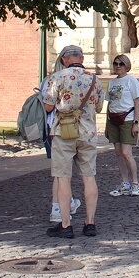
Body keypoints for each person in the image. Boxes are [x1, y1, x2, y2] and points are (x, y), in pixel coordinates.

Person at [41, 45, 102, 238]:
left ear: (65, 60)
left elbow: (49, 107)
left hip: (63, 133)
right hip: (88, 133)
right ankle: (90, 223)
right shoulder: (95, 79)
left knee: (63, 178)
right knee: (89, 177)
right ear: (81, 59)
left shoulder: (57, 78)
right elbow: (99, 108)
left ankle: (66, 225)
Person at [40, 58, 81, 223]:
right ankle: (58, 208)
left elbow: (47, 106)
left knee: (61, 172)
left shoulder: (51, 79)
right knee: (62, 174)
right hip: (63, 129)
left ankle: (66, 203)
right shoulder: (81, 79)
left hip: (55, 129)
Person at [104, 54, 139, 198]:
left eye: (121, 64)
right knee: (118, 153)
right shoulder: (111, 83)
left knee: (127, 153)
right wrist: (107, 124)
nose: (118, 66)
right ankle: (125, 183)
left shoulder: (131, 81)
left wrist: (136, 123)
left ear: (127, 66)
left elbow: (137, 102)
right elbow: (109, 103)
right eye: (115, 64)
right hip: (113, 119)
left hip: (127, 119)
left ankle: (135, 183)